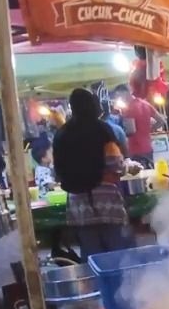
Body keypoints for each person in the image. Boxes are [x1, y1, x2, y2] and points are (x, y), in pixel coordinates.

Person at [53, 89, 134, 258]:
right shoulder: (103, 129)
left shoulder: (61, 134)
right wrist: (126, 167)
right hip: (106, 200)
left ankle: (97, 285)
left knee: (92, 258)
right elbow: (115, 163)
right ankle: (118, 285)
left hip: (78, 203)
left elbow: (58, 172)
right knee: (116, 255)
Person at [118, 86, 166, 165]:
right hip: (147, 147)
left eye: (119, 96)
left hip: (135, 149)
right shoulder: (145, 104)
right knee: (149, 172)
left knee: (139, 175)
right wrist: (149, 129)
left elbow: (130, 131)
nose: (120, 99)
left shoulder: (128, 109)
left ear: (125, 93)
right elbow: (161, 121)